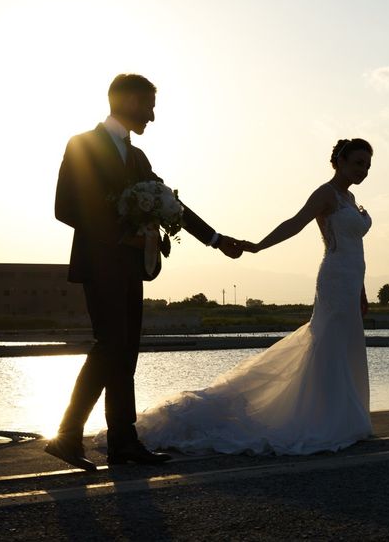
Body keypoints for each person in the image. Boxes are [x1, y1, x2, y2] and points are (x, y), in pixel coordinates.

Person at [102, 138, 374, 455]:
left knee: (345, 344)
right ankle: (325, 419)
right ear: (340, 161)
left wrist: (362, 289)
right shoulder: (325, 194)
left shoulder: (350, 197)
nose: (363, 170)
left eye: (367, 165)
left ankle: (342, 416)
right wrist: (258, 245)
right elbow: (295, 223)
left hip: (352, 280)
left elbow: (358, 247)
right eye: (358, 163)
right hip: (334, 279)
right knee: (327, 343)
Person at [48, 74, 244, 471]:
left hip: (130, 269)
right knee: (109, 345)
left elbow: (172, 206)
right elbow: (65, 208)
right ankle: (68, 435)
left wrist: (216, 239)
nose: (152, 117)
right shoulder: (82, 144)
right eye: (149, 106)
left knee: (126, 353)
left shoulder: (137, 158)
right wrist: (124, 236)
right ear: (129, 101)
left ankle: (124, 442)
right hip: (100, 264)